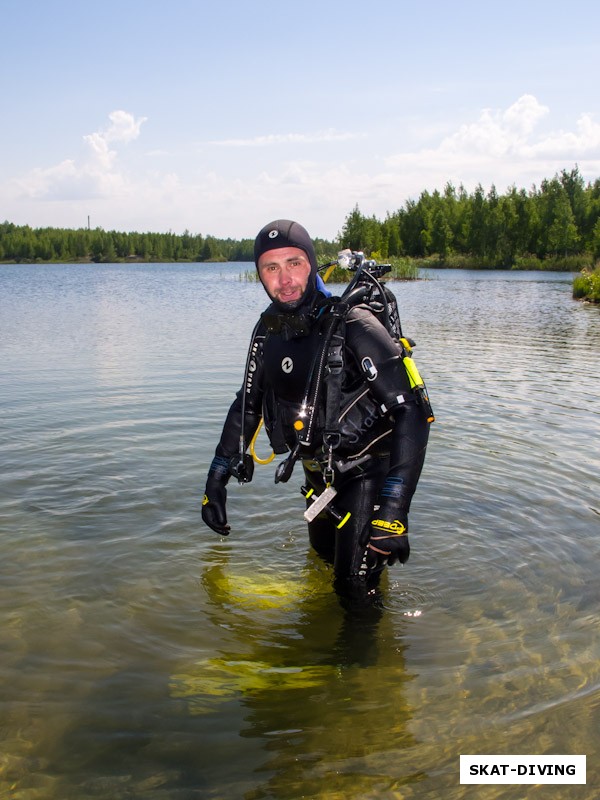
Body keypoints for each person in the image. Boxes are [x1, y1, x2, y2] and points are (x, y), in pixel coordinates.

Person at [202, 219, 431, 606]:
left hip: (366, 476)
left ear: (311, 264)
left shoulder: (353, 325)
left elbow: (413, 410)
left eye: (294, 263)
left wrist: (394, 509)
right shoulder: (268, 330)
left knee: (353, 591)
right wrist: (216, 478)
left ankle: (356, 666)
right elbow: (248, 402)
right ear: (259, 274)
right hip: (317, 479)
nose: (284, 278)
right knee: (323, 566)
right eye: (271, 268)